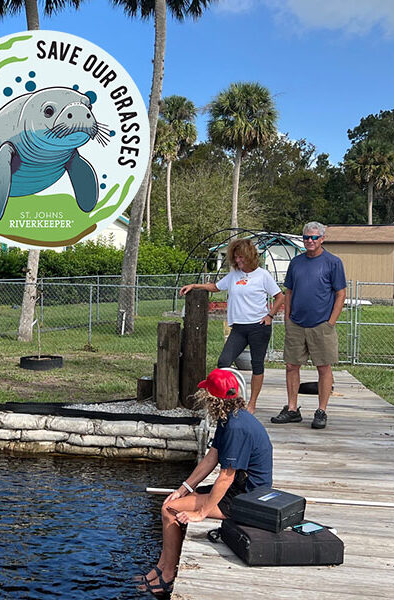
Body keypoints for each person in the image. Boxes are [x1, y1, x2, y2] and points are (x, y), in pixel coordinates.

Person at [140, 369, 273, 597]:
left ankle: (169, 573)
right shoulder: (229, 416)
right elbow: (212, 457)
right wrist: (184, 488)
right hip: (236, 489)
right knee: (173, 501)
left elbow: (226, 476)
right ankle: (161, 567)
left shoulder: (236, 427)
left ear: (211, 398)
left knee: (169, 509)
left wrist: (202, 513)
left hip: (247, 499)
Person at [179, 238, 284, 413]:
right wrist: (195, 285)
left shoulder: (263, 275)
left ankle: (252, 403)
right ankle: (229, 398)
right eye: (235, 258)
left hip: (259, 326)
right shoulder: (234, 275)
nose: (238, 261)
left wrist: (270, 315)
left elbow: (280, 296)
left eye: (241, 257)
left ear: (250, 256)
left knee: (257, 365)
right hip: (239, 328)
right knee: (224, 362)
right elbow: (216, 287)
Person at [272, 221, 346, 430]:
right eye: (306, 237)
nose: (310, 241)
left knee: (323, 367)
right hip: (296, 323)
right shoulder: (296, 263)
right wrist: (287, 318)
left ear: (322, 238)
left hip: (321, 325)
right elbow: (289, 291)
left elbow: (341, 294)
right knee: (291, 366)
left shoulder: (333, 262)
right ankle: (293, 409)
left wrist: (331, 321)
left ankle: (321, 411)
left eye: (314, 237)